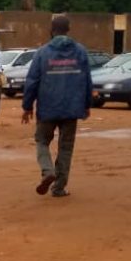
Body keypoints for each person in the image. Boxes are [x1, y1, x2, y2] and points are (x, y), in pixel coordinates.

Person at [21, 15, 93, 198]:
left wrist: (27, 106)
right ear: (69, 29)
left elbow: (32, 81)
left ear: (51, 30)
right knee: (66, 148)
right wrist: (86, 105)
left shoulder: (42, 53)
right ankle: (59, 187)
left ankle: (47, 171)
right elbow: (87, 81)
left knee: (42, 141)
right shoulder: (81, 52)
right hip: (72, 108)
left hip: (47, 108)